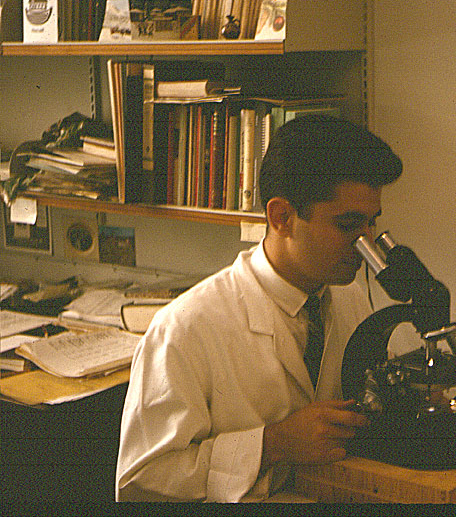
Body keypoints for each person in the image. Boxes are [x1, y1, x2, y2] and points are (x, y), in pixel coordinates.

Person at [116, 114, 403, 502]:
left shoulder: (348, 294)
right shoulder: (187, 328)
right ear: (281, 217)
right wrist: (273, 444)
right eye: (348, 225)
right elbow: (140, 481)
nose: (364, 244)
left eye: (371, 225)